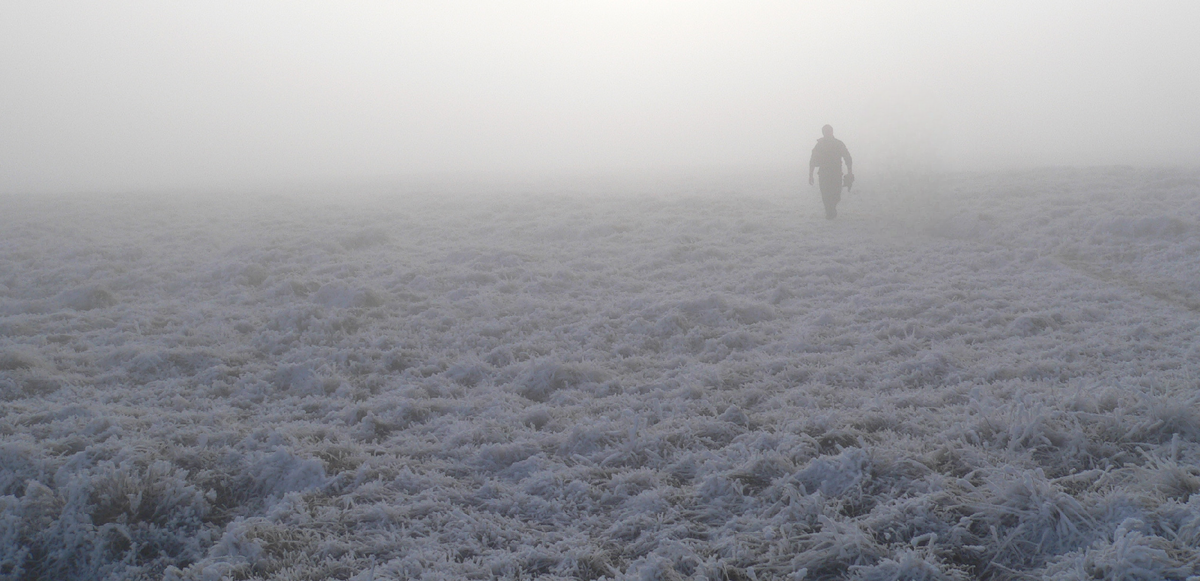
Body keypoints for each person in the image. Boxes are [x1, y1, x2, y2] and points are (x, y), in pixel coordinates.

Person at [808, 125, 853, 219]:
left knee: (836, 195)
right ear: (823, 133)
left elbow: (847, 157)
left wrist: (849, 172)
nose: (827, 133)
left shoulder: (838, 144)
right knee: (825, 194)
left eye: (828, 131)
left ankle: (831, 209)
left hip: (836, 174)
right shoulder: (819, 145)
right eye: (825, 132)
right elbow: (812, 160)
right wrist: (810, 175)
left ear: (832, 132)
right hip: (824, 174)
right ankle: (829, 212)